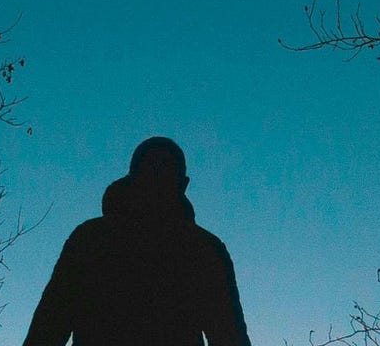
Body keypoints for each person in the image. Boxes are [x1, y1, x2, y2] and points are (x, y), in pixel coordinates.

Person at [22, 137, 251, 346]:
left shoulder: (205, 249)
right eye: (152, 169)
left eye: (165, 170)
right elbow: (50, 324)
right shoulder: (90, 239)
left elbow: (228, 334)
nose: (158, 178)